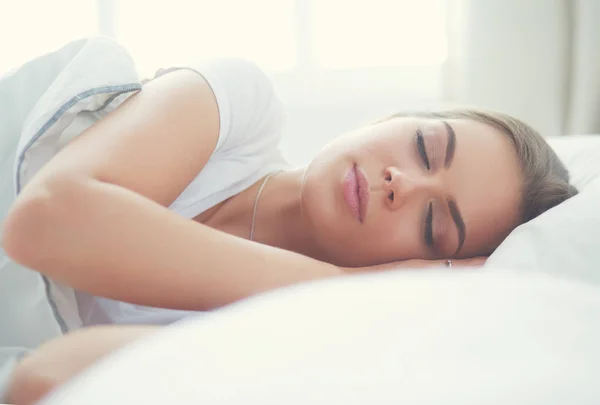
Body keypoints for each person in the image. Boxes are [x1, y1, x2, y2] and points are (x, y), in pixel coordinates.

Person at [1, 59, 577, 325]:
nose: (402, 182)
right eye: (424, 146)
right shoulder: (237, 112)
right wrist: (348, 286)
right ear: (390, 117)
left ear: (413, 269)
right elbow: (44, 223)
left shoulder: (266, 334)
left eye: (434, 227)